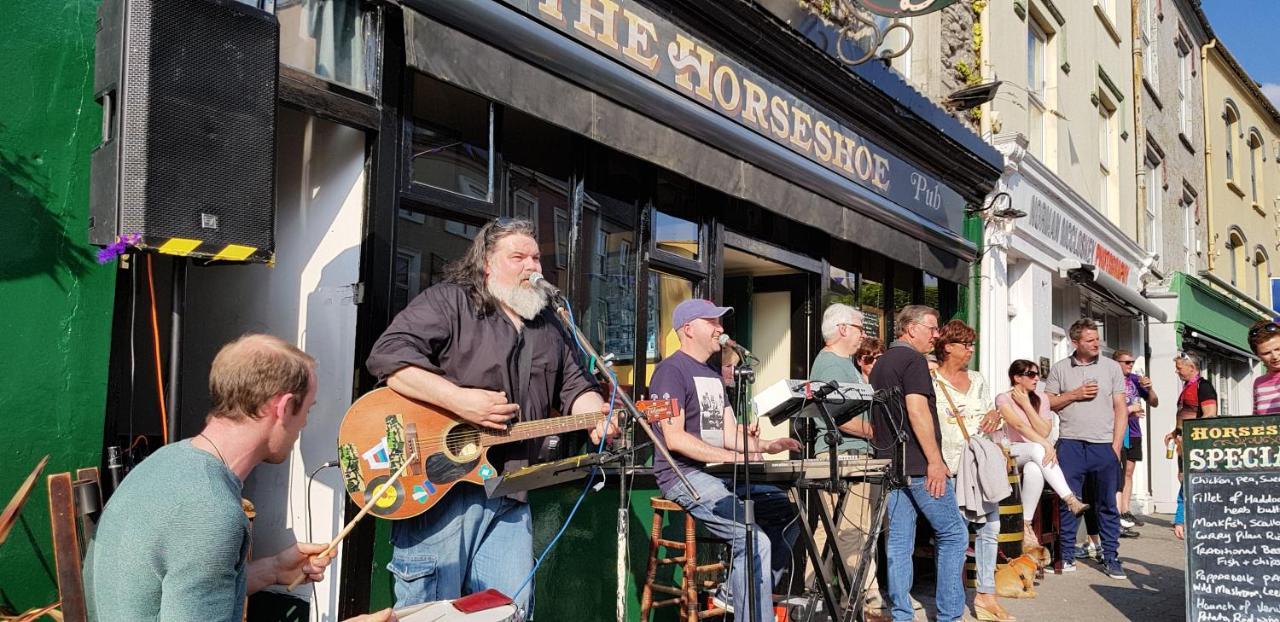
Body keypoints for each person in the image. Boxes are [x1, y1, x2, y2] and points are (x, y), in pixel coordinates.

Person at [365, 218, 611, 613]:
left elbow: (576, 387)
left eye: (536, 258)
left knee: (508, 610)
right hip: (442, 488)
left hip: (510, 488)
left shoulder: (549, 323)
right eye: (518, 257)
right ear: (486, 263)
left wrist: (596, 414)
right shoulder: (449, 301)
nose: (533, 266)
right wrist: (460, 401)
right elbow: (388, 358)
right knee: (430, 612)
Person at [83, 334, 395, 622]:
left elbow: (179, 585)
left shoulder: (166, 461)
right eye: (307, 411)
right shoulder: (211, 512)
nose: (303, 426)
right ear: (284, 407)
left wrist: (272, 570)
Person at [649, 298, 802, 622]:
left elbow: (730, 432)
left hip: (720, 473)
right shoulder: (669, 371)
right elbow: (674, 439)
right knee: (753, 539)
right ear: (688, 330)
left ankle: (733, 593)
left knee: (788, 514)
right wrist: (732, 457)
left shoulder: (713, 373)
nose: (721, 329)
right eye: (712, 322)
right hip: (684, 475)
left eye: (721, 322)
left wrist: (766, 444)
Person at [868, 305, 968, 622]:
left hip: (892, 468)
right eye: (932, 328)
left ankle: (901, 615)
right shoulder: (912, 360)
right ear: (911, 329)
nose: (936, 335)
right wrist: (935, 462)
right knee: (954, 535)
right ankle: (950, 615)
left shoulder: (881, 363)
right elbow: (917, 411)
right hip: (919, 466)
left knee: (898, 543)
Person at [930, 320, 1013, 622]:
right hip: (949, 466)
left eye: (972, 344)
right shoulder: (932, 380)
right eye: (965, 344)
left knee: (990, 529)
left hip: (980, 466)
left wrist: (996, 414)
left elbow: (993, 417)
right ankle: (952, 599)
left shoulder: (977, 379)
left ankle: (986, 595)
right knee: (954, 535)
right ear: (947, 346)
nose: (970, 350)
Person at [807, 303, 879, 613]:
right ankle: (869, 601)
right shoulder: (833, 365)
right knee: (854, 531)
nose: (864, 334)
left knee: (831, 530)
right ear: (842, 329)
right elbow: (838, 417)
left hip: (840, 455)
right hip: (845, 456)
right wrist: (874, 432)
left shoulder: (840, 362)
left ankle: (813, 596)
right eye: (861, 327)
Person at [1044, 318, 1129, 579]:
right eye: (1090, 340)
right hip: (1070, 443)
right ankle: (1066, 556)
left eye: (1097, 339)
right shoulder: (1059, 369)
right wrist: (1075, 394)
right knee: (1068, 502)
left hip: (1103, 445)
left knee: (1107, 505)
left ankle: (1111, 557)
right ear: (1075, 342)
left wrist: (1115, 446)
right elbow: (1048, 404)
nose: (1097, 344)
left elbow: (1121, 409)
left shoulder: (1112, 367)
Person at [994, 359, 1088, 549]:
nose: (1036, 378)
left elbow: (1044, 430)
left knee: (1034, 469)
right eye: (1031, 374)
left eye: (1037, 374)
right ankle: (1070, 499)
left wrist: (1027, 404)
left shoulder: (1042, 398)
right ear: (1017, 378)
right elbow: (1018, 425)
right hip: (1008, 451)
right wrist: (1047, 445)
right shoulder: (1003, 398)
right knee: (1038, 448)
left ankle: (1026, 523)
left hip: (1034, 456)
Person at [1163, 351, 1216, 543]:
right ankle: (1187, 519)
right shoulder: (1187, 387)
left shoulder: (1204, 386)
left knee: (1193, 482)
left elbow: (1210, 414)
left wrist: (1191, 435)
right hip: (1183, 444)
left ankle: (1194, 520)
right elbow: (1186, 414)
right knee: (1183, 480)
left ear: (1191, 367)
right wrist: (1175, 432)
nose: (1176, 372)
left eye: (1179, 368)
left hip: (1197, 446)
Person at [1114, 350, 1157, 533]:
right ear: (1116, 363)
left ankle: (1125, 510)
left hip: (1134, 431)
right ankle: (1115, 514)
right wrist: (1130, 409)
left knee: (1129, 472)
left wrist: (1149, 388)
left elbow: (1154, 402)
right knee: (1117, 472)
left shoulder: (1135, 379)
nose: (1130, 365)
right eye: (1126, 362)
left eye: (1132, 362)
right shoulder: (1111, 379)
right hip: (1117, 431)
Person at [1249, 321, 1280, 415]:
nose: (1274, 356)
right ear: (1258, 355)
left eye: (1278, 349)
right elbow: (1256, 421)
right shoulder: (1259, 383)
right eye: (1266, 353)